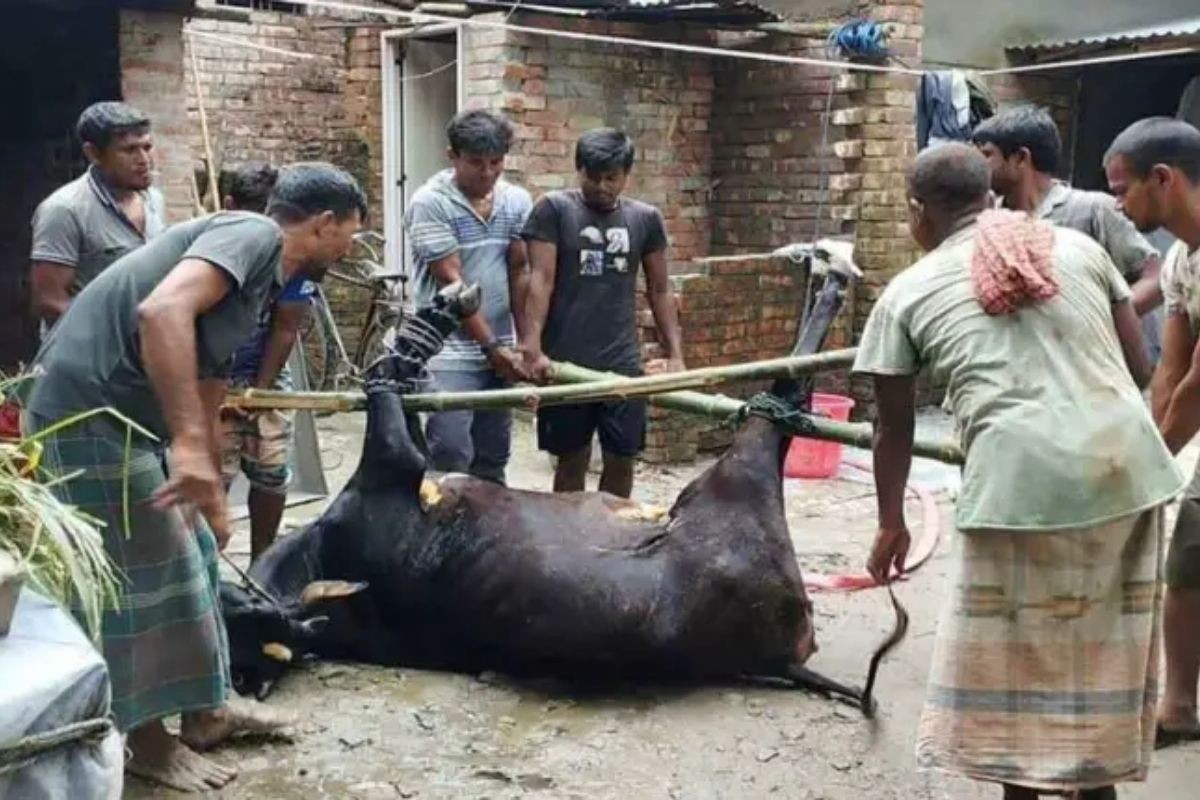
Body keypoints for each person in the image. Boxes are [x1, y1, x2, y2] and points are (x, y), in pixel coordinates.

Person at [21, 162, 367, 793]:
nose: (348, 251)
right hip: (86, 417)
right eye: (350, 235)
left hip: (126, 421)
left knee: (200, 553)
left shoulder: (261, 277)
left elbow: (208, 374)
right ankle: (148, 743)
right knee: (145, 579)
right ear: (323, 224)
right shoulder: (251, 234)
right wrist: (184, 444)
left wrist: (206, 474)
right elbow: (162, 314)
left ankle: (206, 709)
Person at [855, 143, 1183, 800]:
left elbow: (894, 426)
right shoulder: (1077, 250)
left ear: (918, 212)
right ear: (987, 195)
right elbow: (1141, 367)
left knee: (1014, 674)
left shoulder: (908, 291)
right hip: (1129, 470)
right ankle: (1096, 789)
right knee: (1098, 655)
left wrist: (891, 524)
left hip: (1020, 482)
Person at [520, 128, 685, 498]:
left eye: (611, 177)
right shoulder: (554, 209)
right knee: (571, 460)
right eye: (592, 176)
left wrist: (675, 356)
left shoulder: (645, 219)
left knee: (622, 459)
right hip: (567, 365)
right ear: (579, 170)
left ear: (626, 175)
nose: (602, 186)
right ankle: (568, 541)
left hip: (622, 364)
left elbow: (660, 289)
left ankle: (614, 538)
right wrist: (532, 346)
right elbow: (540, 279)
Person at [1104, 116, 1200, 750]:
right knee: (1189, 552)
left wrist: (1149, 469)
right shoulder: (1180, 260)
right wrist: (1154, 455)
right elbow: (1171, 366)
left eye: (1122, 188)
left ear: (1162, 179)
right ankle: (1180, 706)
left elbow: (1198, 386)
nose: (1117, 202)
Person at [972, 106, 1165, 358]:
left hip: (1102, 367)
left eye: (987, 155)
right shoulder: (990, 222)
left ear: (1021, 158)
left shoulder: (1092, 209)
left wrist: (1098, 319)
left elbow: (1155, 278)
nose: (977, 166)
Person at [404, 109, 532, 485]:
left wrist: (523, 343)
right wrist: (492, 346)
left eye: (496, 163)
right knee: (451, 451)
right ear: (453, 157)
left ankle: (487, 536)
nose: (488, 173)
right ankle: (441, 537)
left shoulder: (516, 201)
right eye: (476, 163)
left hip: (502, 346)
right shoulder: (431, 202)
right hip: (448, 348)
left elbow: (520, 270)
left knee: (493, 455)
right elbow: (453, 286)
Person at [212, 162, 314, 561]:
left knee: (271, 471)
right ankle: (204, 563)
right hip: (212, 372)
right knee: (214, 473)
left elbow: (285, 328)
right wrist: (220, 391)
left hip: (264, 371)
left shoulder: (296, 259)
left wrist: (260, 392)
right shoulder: (214, 254)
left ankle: (263, 561)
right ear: (230, 206)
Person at [29, 101, 166, 330]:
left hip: (144, 347)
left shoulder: (154, 200)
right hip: (87, 355)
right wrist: (113, 336)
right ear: (93, 153)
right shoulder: (64, 210)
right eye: (129, 150)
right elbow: (50, 301)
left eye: (147, 147)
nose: (144, 160)